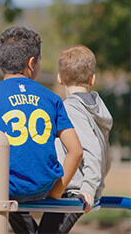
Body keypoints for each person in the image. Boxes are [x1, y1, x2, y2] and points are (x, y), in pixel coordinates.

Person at [0, 26, 83, 234]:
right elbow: (75, 151)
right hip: (43, 187)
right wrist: (56, 192)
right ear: (31, 63)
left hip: (4, 189)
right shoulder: (51, 98)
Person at [37, 45, 113, 233]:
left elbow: (92, 148)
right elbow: (105, 154)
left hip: (74, 191)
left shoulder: (72, 109)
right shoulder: (96, 108)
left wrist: (88, 188)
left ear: (59, 78)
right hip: (80, 187)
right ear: (92, 79)